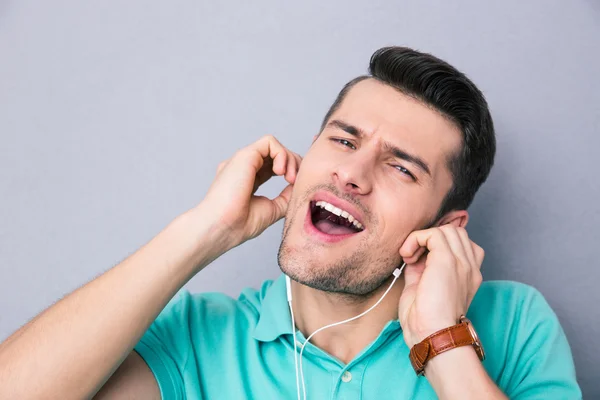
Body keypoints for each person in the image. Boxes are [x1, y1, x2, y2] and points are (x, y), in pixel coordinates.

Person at [0, 47, 581, 400]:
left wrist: (442, 342)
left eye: (401, 167)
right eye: (343, 140)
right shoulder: (202, 339)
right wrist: (205, 230)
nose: (352, 173)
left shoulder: (514, 324)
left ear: (447, 225)